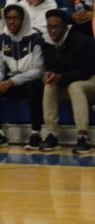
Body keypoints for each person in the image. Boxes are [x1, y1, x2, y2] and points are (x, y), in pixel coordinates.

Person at [0, 4, 45, 150]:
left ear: (23, 20)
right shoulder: (0, 41)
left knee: (35, 86)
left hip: (28, 82)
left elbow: (38, 70)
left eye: (16, 18)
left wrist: (12, 81)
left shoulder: (35, 39)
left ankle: (36, 133)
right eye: (9, 18)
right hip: (9, 83)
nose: (12, 22)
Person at [40, 9, 95, 154]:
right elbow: (50, 68)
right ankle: (52, 134)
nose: (53, 31)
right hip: (67, 83)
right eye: (49, 27)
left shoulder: (81, 41)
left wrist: (62, 77)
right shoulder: (46, 43)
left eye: (56, 27)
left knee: (75, 87)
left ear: (66, 27)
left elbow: (85, 71)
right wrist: (50, 75)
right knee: (49, 85)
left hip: (90, 82)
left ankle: (83, 137)